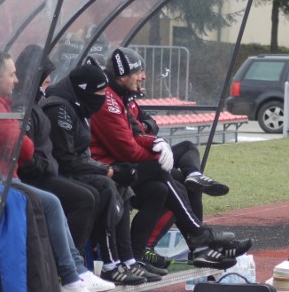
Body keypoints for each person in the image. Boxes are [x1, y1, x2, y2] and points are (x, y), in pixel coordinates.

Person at [0, 50, 107, 292]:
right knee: (55, 201)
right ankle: (71, 276)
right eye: (11, 74)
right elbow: (23, 147)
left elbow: (23, 143)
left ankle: (77, 271)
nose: (16, 80)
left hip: (2, 177)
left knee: (80, 196)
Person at [89, 47, 251, 269]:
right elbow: (126, 148)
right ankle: (198, 237)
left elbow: (143, 127)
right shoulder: (108, 100)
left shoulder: (121, 97)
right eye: (139, 72)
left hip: (122, 164)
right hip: (111, 170)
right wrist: (156, 151)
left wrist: (156, 142)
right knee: (166, 174)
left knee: (169, 181)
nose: (144, 77)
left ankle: (147, 255)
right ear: (122, 76)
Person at [42, 62, 158, 285]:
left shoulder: (80, 106)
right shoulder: (60, 109)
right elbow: (68, 160)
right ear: (85, 90)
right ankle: (109, 264)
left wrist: (112, 171)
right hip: (59, 174)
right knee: (106, 187)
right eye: (100, 92)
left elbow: (82, 155)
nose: (103, 98)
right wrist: (109, 171)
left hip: (78, 168)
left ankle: (127, 259)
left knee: (124, 184)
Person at [122, 53, 229, 264]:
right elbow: (135, 134)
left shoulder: (129, 99)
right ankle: (198, 244)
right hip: (133, 164)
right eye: (139, 72)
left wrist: (147, 132)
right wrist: (148, 134)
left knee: (188, 149)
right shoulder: (115, 101)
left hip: (145, 154)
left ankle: (195, 174)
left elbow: (150, 124)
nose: (143, 77)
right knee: (176, 182)